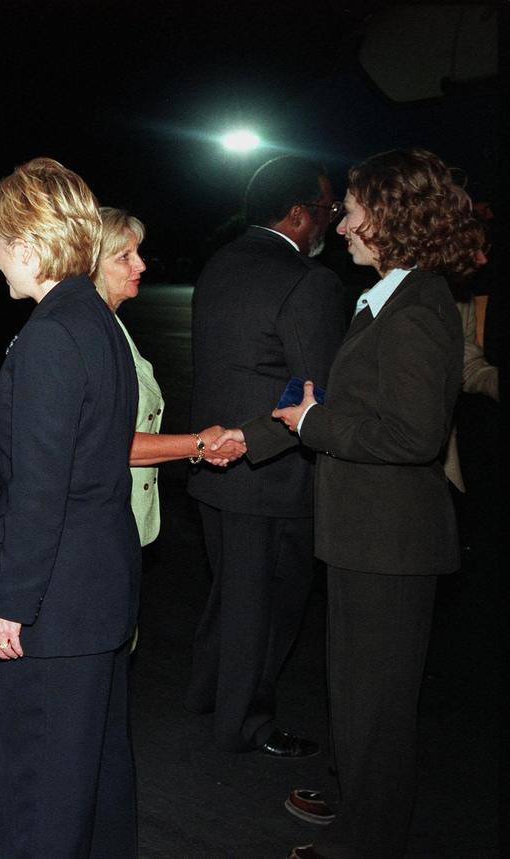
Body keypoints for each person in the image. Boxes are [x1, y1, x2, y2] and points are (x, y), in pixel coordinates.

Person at [224, 149, 483, 859]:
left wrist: (312, 425)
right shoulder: (391, 301)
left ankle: (366, 842)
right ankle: (360, 815)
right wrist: (256, 433)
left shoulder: (420, 305)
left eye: (357, 208)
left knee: (378, 709)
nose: (342, 224)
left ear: (393, 216)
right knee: (361, 700)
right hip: (366, 537)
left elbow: (410, 433)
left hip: (390, 542)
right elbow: (341, 401)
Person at [0, 158, 140, 858]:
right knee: (96, 786)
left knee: (39, 792)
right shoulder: (97, 318)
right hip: (100, 586)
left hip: (56, 603)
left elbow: (44, 486)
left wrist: (11, 601)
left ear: (26, 242)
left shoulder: (51, 332)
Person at [185, 156, 346, 757]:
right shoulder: (310, 281)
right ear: (299, 214)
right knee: (270, 604)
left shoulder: (221, 264)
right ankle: (245, 724)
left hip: (212, 467)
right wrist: (258, 441)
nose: (331, 220)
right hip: (272, 473)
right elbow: (316, 390)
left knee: (229, 591)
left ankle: (206, 693)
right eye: (327, 209)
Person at [90, 206, 247, 547]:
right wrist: (199, 444)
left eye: (138, 253)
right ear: (89, 264)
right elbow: (105, 443)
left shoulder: (110, 324)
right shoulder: (90, 336)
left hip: (116, 523)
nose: (141, 265)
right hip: (97, 528)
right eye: (124, 256)